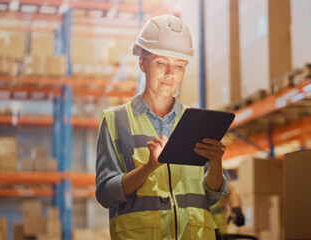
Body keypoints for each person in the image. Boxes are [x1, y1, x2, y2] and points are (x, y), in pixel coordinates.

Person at [95, 15, 229, 240]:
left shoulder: (196, 121)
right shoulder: (115, 121)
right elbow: (106, 195)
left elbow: (212, 195)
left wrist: (216, 163)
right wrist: (149, 167)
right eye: (161, 63)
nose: (170, 74)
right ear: (142, 63)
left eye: (178, 66)